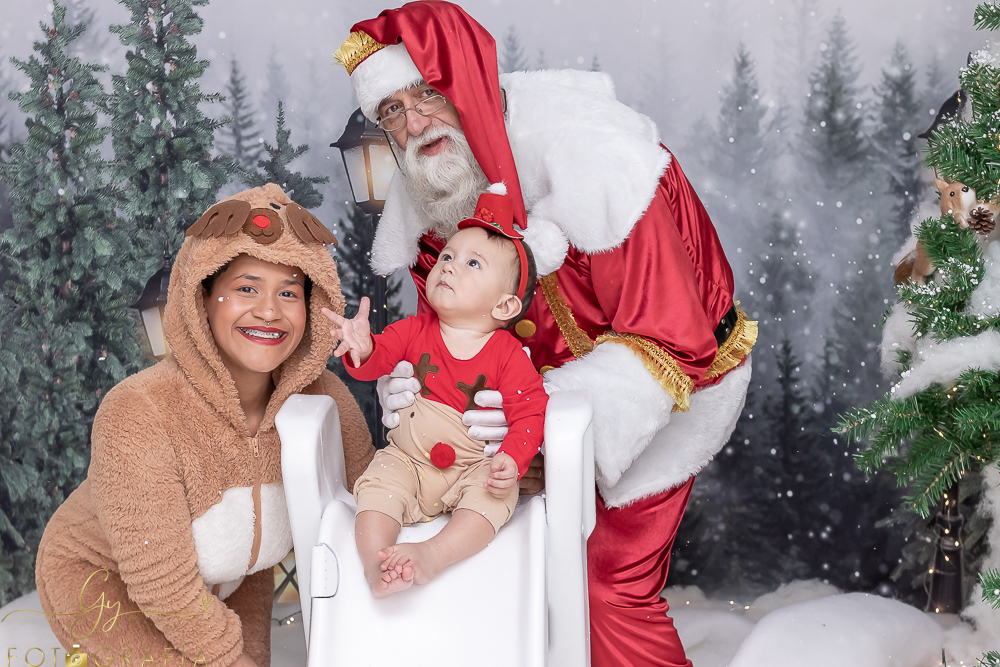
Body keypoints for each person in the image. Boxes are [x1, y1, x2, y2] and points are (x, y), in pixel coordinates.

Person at [333, 3, 756, 665]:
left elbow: (671, 339)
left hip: (675, 379)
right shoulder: (437, 187)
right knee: (504, 559)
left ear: (466, 81)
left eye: (427, 94)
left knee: (603, 580)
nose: (413, 123)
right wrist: (414, 382)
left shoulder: (594, 156)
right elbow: (449, 333)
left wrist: (542, 424)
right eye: (391, 110)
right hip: (535, 405)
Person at [34, 183, 374, 667]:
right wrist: (224, 656)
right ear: (203, 298)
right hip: (105, 581)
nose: (269, 310)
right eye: (246, 288)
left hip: (238, 579)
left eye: (289, 292)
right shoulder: (139, 410)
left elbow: (374, 496)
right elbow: (159, 579)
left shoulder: (324, 399)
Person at [324, 186, 546, 598]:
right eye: (447, 256)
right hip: (409, 458)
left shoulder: (508, 355)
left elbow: (530, 411)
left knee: (494, 498)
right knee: (376, 487)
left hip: (473, 466)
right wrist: (364, 347)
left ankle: (433, 555)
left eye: (472, 263)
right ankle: (377, 563)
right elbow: (380, 359)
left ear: (504, 306)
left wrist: (512, 460)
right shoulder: (413, 330)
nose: (449, 266)